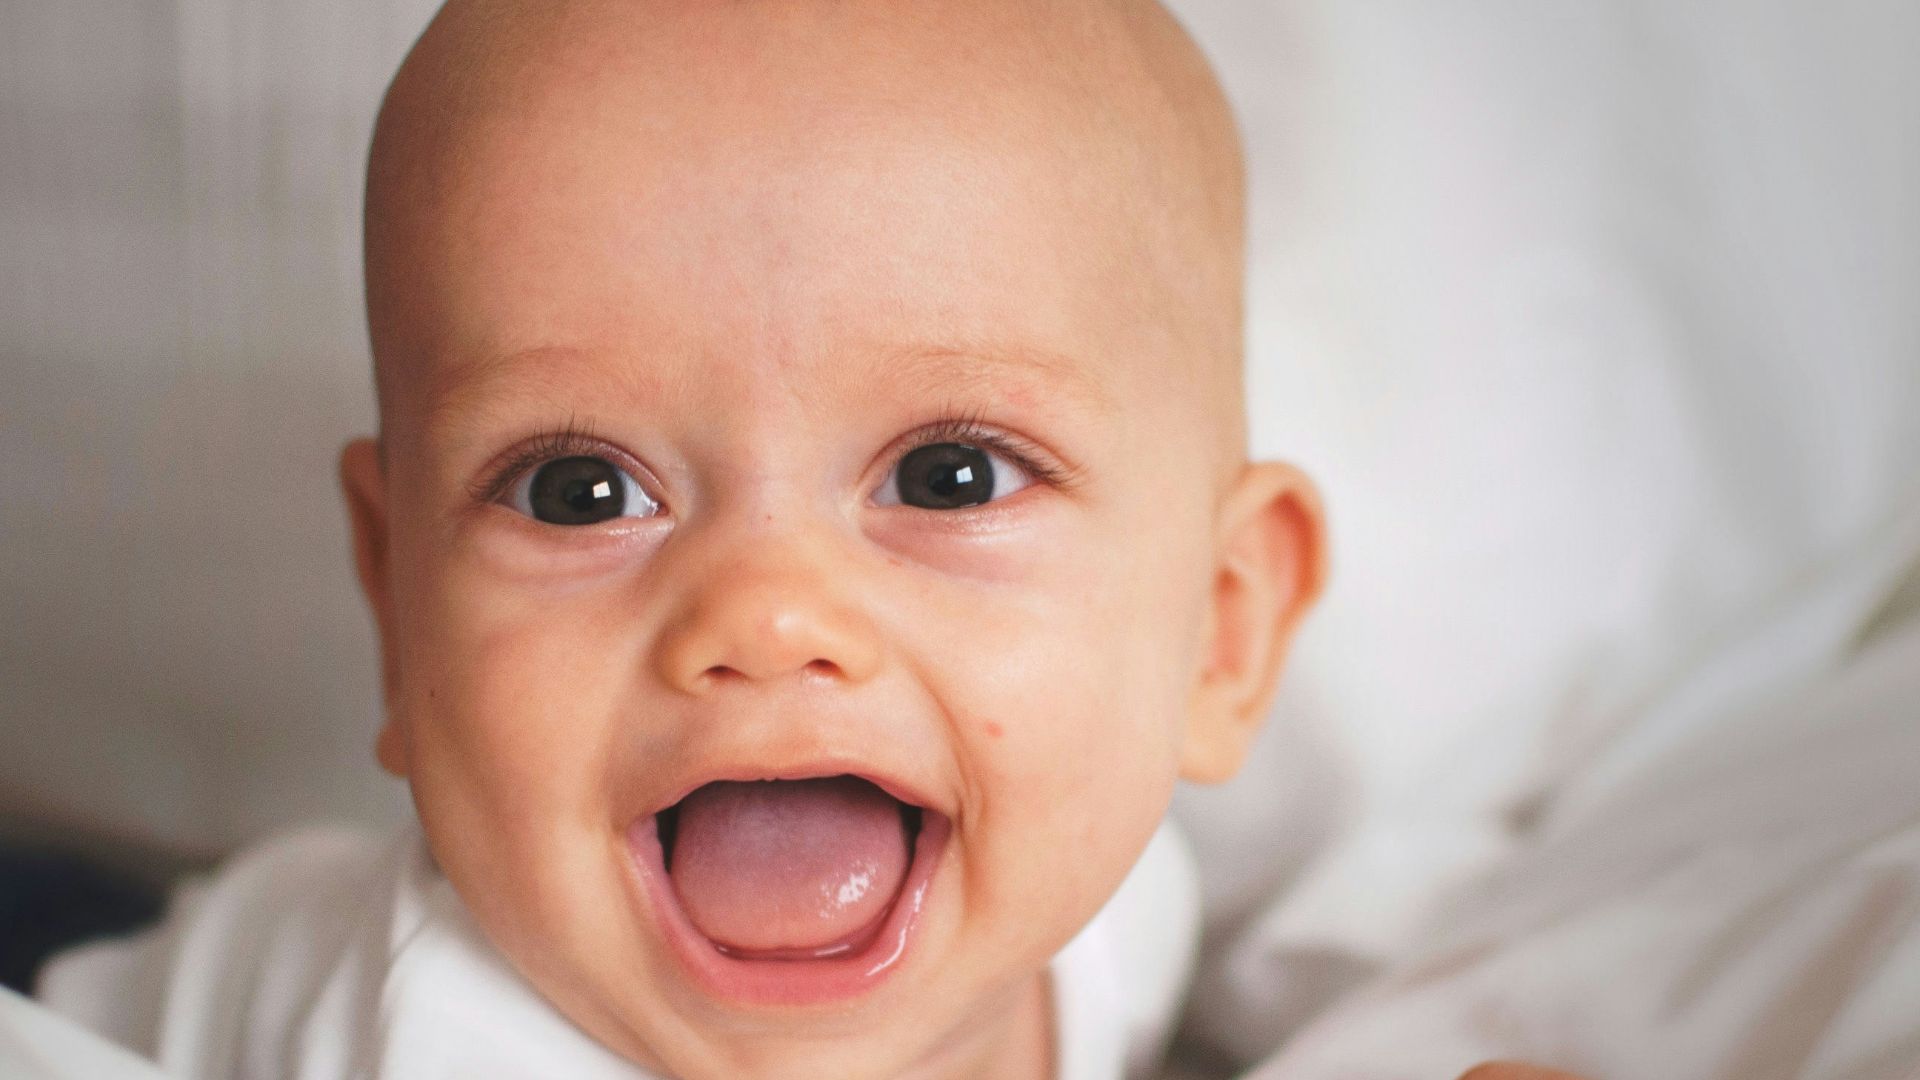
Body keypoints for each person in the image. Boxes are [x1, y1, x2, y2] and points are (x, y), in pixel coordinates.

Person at [31, 1, 1582, 1077]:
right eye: (581, 491)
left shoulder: (1116, 899)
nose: (766, 613)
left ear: (1221, 627)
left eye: (954, 476)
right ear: (400, 614)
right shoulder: (443, 1040)